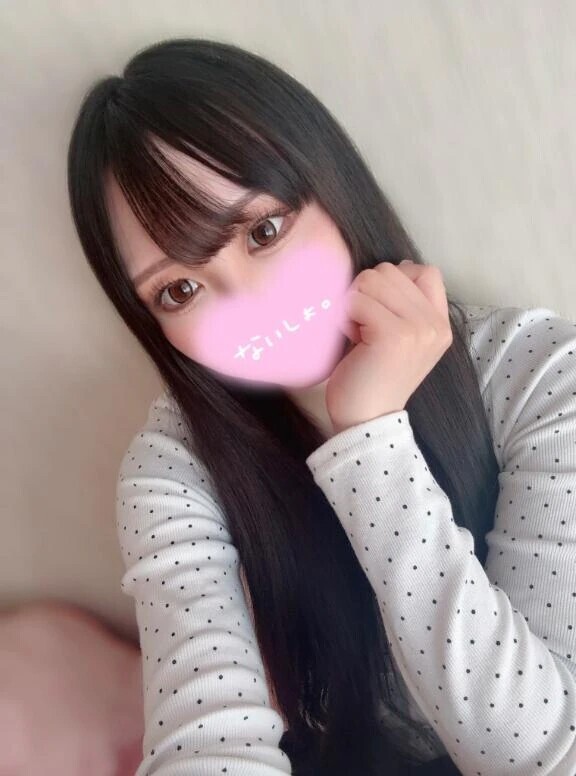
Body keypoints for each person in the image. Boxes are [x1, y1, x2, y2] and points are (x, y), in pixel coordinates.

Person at [66, 38, 576, 776]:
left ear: (333, 191)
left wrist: (369, 438)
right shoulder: (173, 470)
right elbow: (207, 742)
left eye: (263, 231)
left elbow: (540, 755)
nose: (249, 304)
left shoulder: (538, 375)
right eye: (179, 289)